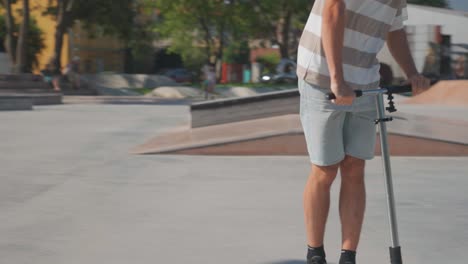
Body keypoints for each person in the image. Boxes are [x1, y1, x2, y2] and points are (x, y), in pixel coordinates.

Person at [296, 1, 430, 264]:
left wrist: (412, 73)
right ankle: (315, 254)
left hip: (365, 81)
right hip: (322, 74)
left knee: (355, 166)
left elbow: (395, 29)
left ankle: (349, 256)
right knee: (325, 169)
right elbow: (333, 10)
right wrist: (337, 79)